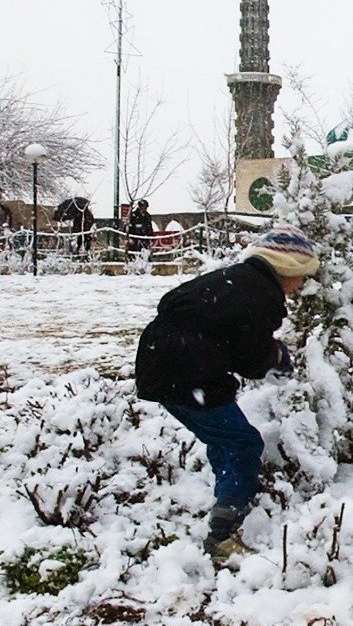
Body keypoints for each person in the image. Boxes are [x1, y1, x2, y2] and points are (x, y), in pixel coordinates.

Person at [135, 225, 320, 564]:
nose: (301, 286)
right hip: (186, 372)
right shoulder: (260, 294)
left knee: (226, 439)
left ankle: (226, 501)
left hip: (165, 363)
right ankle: (223, 534)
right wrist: (278, 361)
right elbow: (250, 358)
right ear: (288, 269)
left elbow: (183, 309)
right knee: (242, 443)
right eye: (302, 276)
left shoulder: (238, 280)